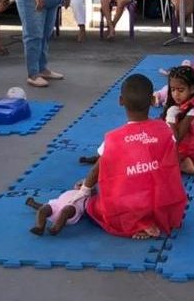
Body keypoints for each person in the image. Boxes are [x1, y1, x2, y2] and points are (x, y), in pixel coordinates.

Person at [78, 74, 188, 239]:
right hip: (162, 203)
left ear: (121, 101)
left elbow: (97, 169)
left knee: (92, 205)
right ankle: (151, 219)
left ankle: (138, 223)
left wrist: (85, 189)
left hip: (130, 205)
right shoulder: (165, 130)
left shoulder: (113, 138)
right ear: (153, 100)